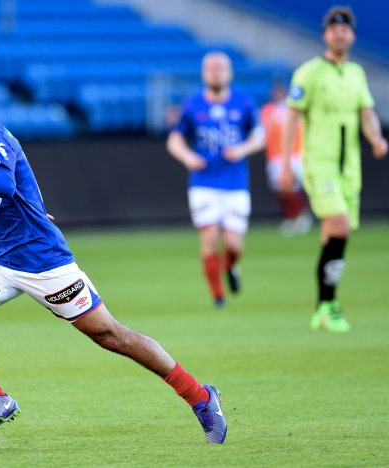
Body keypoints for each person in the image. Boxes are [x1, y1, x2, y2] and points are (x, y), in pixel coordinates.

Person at [0, 71, 227, 443]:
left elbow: (4, 184)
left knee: (111, 335)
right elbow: (15, 192)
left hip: (44, 262)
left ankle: (200, 396)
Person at [280, 6, 387, 333]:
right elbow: (292, 117)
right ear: (325, 34)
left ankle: (324, 307)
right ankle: (328, 305)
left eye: (345, 29)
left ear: (352, 35)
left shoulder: (355, 73)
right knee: (339, 226)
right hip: (320, 163)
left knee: (335, 233)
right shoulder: (309, 73)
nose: (340, 33)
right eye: (334, 28)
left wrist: (376, 138)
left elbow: (366, 111)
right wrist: (286, 163)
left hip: (348, 167)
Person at [166, 51, 265, 308]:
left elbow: (259, 136)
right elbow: (175, 139)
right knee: (209, 239)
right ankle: (218, 296)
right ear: (203, 73)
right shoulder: (192, 104)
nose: (216, 71)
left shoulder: (243, 102)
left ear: (230, 73)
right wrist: (188, 157)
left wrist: (242, 149)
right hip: (204, 182)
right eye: (211, 68)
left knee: (233, 245)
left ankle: (231, 266)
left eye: (220, 67)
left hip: (235, 182)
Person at [260, 82, 312, 236]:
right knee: (280, 189)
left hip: (293, 154)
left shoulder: (294, 111)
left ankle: (300, 216)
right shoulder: (268, 110)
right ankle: (292, 216)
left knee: (290, 186)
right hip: (275, 156)